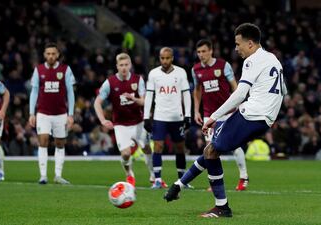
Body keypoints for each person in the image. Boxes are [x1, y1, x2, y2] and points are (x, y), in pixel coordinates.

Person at [164, 23, 287, 218]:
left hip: (251, 114)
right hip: (264, 118)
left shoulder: (252, 61)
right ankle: (179, 185)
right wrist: (271, 114)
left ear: (250, 43)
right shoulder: (273, 59)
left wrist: (213, 117)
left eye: (238, 44)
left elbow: (239, 94)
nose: (236, 48)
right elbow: (283, 91)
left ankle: (221, 207)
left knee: (212, 151)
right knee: (211, 149)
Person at [183, 39, 250, 191]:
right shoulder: (196, 70)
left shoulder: (223, 65)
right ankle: (215, 182)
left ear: (211, 50)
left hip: (228, 112)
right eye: (199, 52)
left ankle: (243, 177)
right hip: (209, 114)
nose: (201, 55)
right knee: (210, 148)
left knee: (235, 146)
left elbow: (235, 86)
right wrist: (196, 111)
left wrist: (239, 105)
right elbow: (197, 91)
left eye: (204, 51)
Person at [94, 53, 154, 187]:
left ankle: (153, 175)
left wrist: (134, 99)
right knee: (126, 154)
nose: (124, 68)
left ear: (130, 65)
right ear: (117, 66)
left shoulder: (138, 80)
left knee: (146, 148)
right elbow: (97, 102)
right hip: (120, 125)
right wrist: (103, 120)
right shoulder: (110, 83)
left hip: (138, 122)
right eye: (121, 65)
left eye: (126, 65)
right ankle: (129, 174)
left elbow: (144, 102)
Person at [144, 47, 192, 189]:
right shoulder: (153, 74)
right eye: (162, 58)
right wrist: (146, 117)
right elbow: (149, 96)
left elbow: (186, 94)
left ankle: (182, 180)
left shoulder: (181, 72)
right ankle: (158, 179)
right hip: (160, 117)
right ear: (160, 58)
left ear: (172, 58)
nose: (165, 61)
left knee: (180, 148)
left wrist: (188, 115)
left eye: (167, 58)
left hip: (177, 116)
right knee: (158, 146)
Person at [29, 42, 76, 185]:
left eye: (53, 54)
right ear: (44, 55)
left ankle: (58, 175)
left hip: (61, 114)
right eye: (48, 54)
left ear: (58, 55)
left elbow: (70, 92)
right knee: (43, 140)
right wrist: (31, 113)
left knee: (60, 143)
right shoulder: (39, 70)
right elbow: (34, 91)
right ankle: (43, 176)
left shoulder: (65, 69)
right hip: (43, 113)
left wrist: (71, 114)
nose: (50, 56)